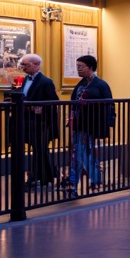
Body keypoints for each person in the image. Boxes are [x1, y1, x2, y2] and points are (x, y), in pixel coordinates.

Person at [66, 55, 114, 196]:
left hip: (93, 124)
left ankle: (78, 182)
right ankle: (90, 180)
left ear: (91, 67)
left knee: (83, 153)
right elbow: (73, 102)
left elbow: (109, 104)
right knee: (80, 153)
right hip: (80, 125)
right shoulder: (80, 84)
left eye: (81, 66)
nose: (78, 69)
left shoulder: (101, 84)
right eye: (77, 66)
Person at [16, 54, 60, 187]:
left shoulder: (46, 81)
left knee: (40, 149)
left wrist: (40, 108)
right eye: (22, 65)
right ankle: (46, 175)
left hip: (41, 122)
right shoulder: (26, 79)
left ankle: (39, 175)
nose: (23, 68)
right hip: (29, 120)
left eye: (27, 65)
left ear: (37, 65)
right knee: (39, 149)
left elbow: (54, 101)